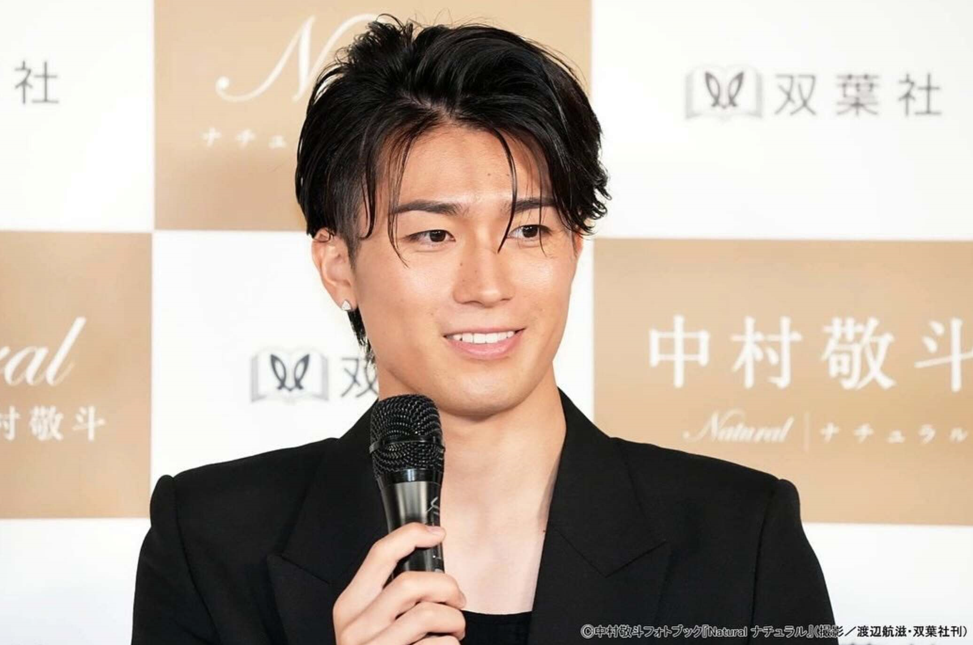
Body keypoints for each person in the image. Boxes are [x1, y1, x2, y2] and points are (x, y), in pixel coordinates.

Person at [131, 14, 838, 645]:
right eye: (432, 235)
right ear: (338, 266)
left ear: (574, 248)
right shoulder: (211, 543)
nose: (487, 284)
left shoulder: (739, 538)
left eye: (528, 230)